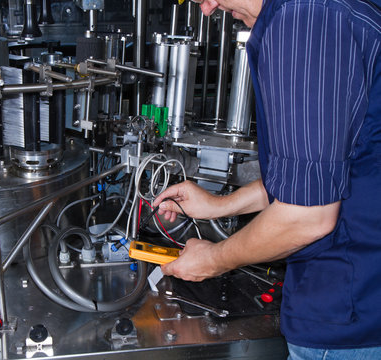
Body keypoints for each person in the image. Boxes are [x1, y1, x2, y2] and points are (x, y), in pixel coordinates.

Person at [153, 0, 381, 358]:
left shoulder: (306, 23)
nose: (209, 8)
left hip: (349, 313)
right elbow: (315, 174)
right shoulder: (328, 12)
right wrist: (219, 205)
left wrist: (212, 260)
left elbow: (307, 217)